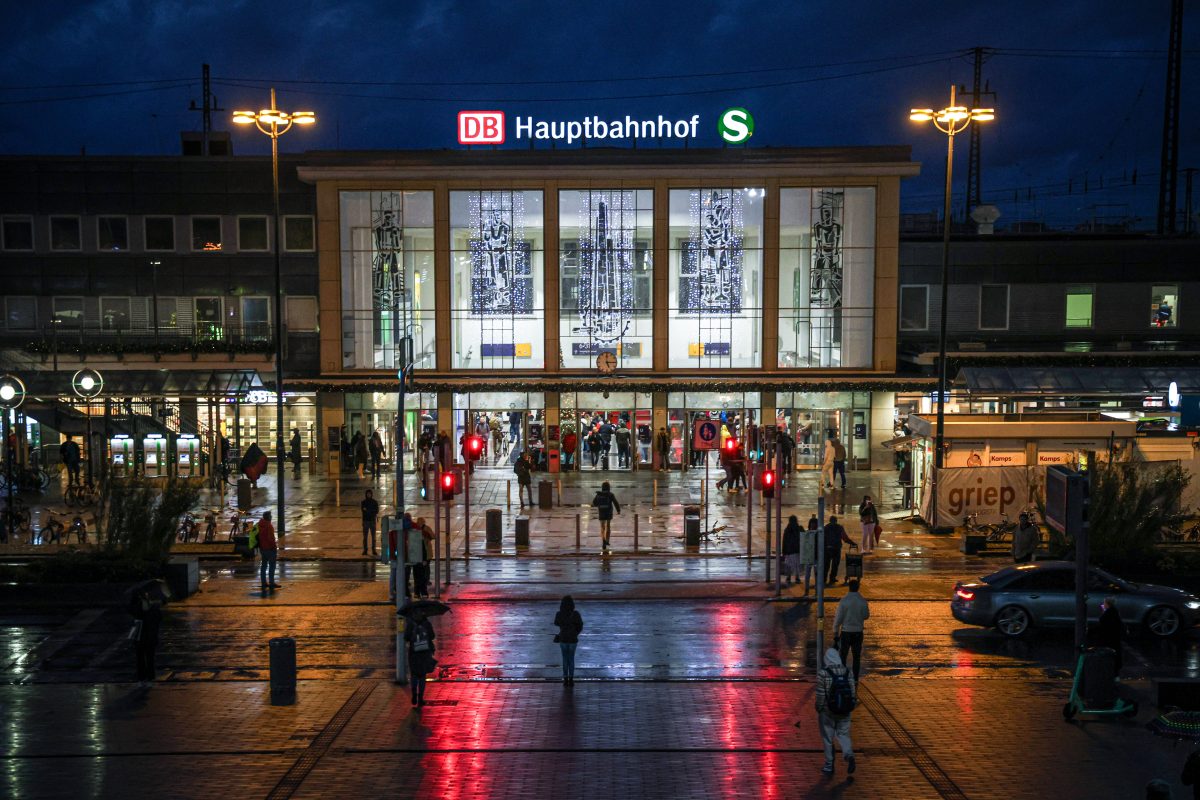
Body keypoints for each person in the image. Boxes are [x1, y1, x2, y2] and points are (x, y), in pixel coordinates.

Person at [813, 648, 857, 776]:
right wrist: (851, 705)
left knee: (827, 738)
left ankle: (829, 765)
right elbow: (852, 691)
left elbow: (820, 694)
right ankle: (849, 755)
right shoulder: (847, 671)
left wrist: (819, 708)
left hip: (828, 712)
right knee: (843, 734)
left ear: (826, 659)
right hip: (845, 710)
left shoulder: (823, 673)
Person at [834, 578, 870, 681]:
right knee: (856, 656)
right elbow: (866, 616)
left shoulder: (844, 601)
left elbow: (838, 618)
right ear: (858, 588)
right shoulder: (862, 601)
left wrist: (835, 632)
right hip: (858, 632)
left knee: (843, 656)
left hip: (846, 632)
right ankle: (855, 678)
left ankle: (842, 677)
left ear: (849, 587)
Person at [129, 585, 163, 684]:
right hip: (146, 636)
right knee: (145, 657)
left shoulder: (138, 607)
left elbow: (157, 619)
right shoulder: (146, 607)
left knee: (145, 657)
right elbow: (159, 618)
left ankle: (145, 676)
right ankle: (146, 676)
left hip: (143, 636)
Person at [405, 609, 436, 707]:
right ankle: (420, 698)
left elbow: (406, 637)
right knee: (422, 675)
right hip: (425, 652)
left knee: (414, 674)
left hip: (413, 651)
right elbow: (432, 636)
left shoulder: (410, 623)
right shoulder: (426, 623)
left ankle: (414, 694)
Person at [554, 595, 584, 686]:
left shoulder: (559, 614)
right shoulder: (576, 614)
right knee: (571, 659)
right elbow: (580, 626)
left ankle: (565, 679)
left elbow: (556, 623)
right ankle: (571, 679)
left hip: (563, 638)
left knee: (564, 658)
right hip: (573, 639)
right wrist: (575, 633)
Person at [1095, 595, 1125, 675]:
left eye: (1104, 603)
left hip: (1109, 639)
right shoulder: (1114, 612)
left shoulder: (1109, 614)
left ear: (1107, 604)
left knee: (1109, 657)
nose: (1103, 604)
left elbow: (1104, 624)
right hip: (1113, 639)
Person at [824, 515, 855, 585]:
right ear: (836, 521)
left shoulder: (826, 527)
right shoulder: (839, 527)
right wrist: (852, 543)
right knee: (835, 565)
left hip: (827, 549)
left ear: (830, 521)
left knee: (826, 565)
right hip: (836, 548)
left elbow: (823, 538)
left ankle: (824, 579)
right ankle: (832, 579)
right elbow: (845, 538)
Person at [591, 481, 621, 551]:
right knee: (608, 526)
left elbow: (594, 503)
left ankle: (603, 540)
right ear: (609, 487)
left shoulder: (598, 494)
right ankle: (607, 540)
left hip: (601, 512)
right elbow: (615, 502)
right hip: (608, 512)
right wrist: (618, 510)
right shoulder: (610, 494)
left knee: (602, 527)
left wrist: (598, 504)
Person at [257, 510, 279, 592]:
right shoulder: (269, 526)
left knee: (264, 566)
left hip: (263, 548)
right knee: (272, 566)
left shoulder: (260, 525)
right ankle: (271, 582)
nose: (271, 517)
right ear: (268, 517)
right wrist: (274, 547)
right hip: (270, 549)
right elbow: (271, 539)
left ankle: (263, 582)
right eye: (270, 515)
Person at [782, 515, 802, 586]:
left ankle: (788, 577)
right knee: (797, 564)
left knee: (789, 564)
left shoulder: (787, 529)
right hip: (797, 550)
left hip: (789, 551)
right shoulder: (799, 528)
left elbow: (784, 541)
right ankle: (797, 578)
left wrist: (784, 551)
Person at [360, 489, 380, 556]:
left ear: (371, 494)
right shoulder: (363, 502)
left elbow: (376, 511)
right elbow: (363, 511)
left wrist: (368, 510)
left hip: (372, 521)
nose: (369, 495)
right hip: (366, 521)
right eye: (367, 494)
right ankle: (365, 550)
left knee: (373, 537)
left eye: (370, 494)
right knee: (365, 537)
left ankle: (373, 550)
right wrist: (371, 511)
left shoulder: (374, 502)